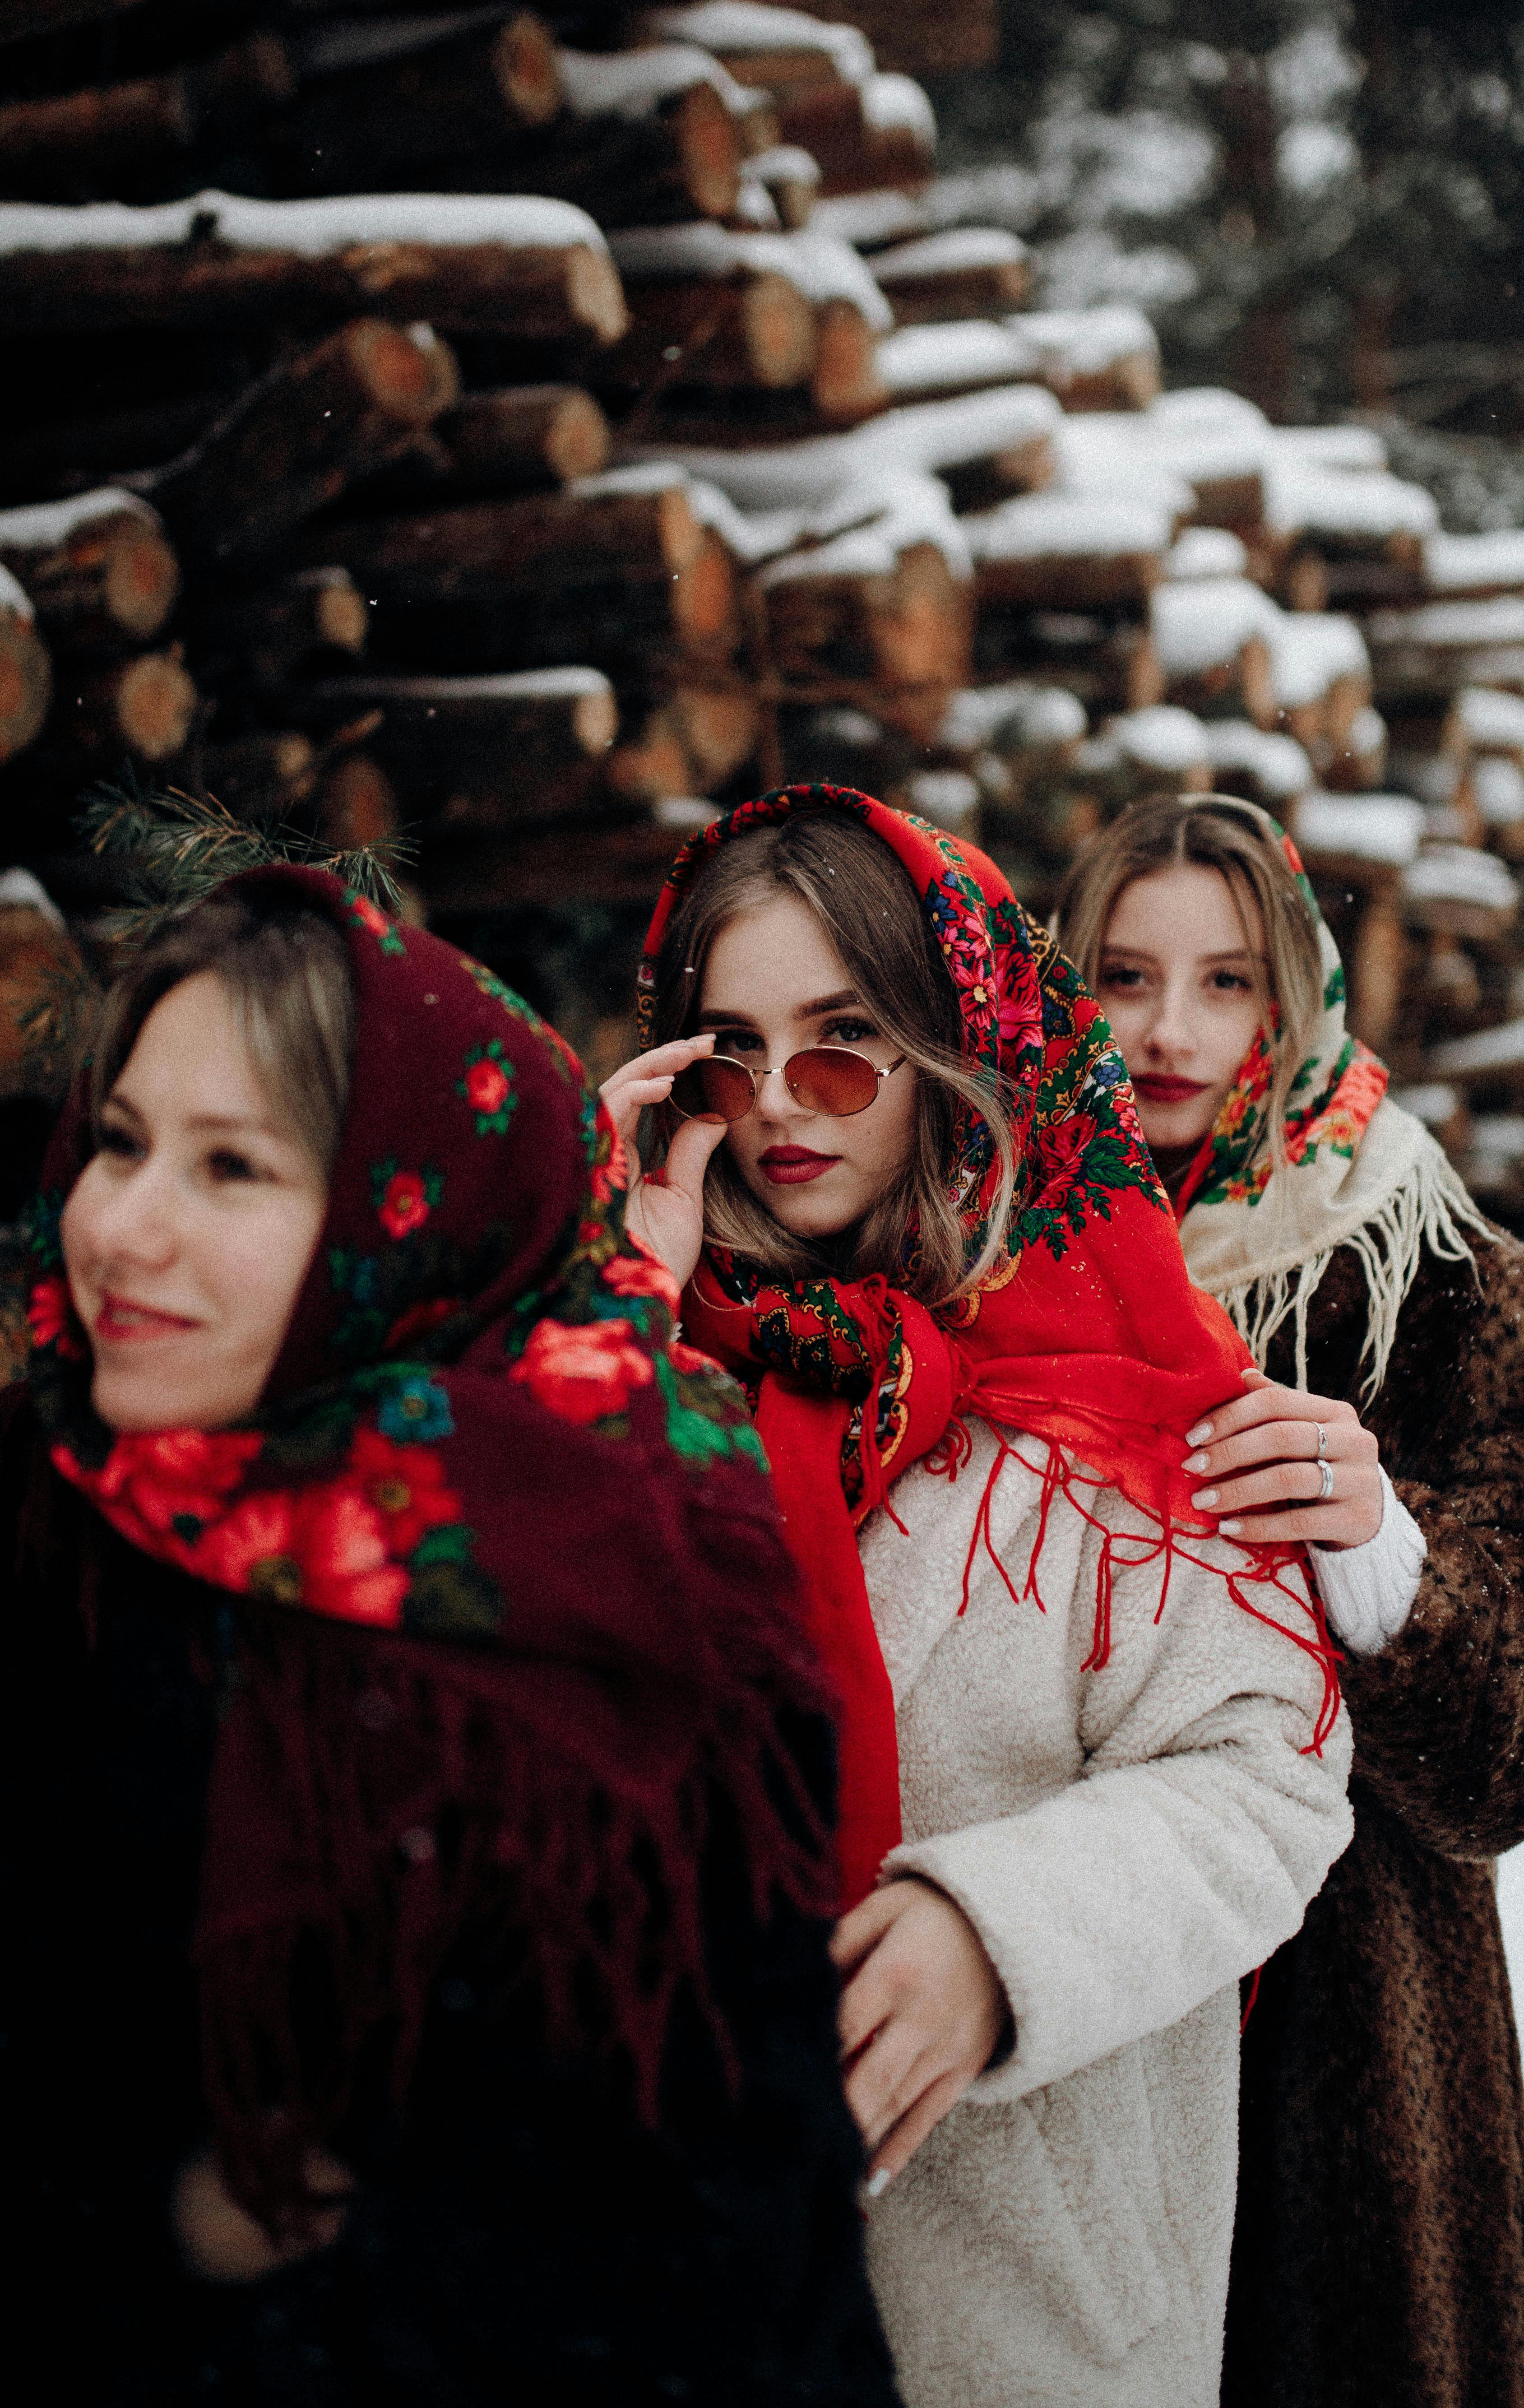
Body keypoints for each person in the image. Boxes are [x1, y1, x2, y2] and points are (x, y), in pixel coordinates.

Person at [3, 863, 902, 2406]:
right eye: (124, 1143)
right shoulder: (57, 1541)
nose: (124, 1229)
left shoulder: (608, 1620)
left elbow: (701, 2272)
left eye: (232, 1170)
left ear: (403, 1221)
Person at [602, 782, 1354, 2408]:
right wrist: (607, 1311)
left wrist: (997, 1935)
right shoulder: (620, 1370)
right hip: (680, 2278)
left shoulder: (1127, 1384)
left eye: (844, 1038)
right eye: (729, 1050)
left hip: (1035, 2290)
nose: (783, 1104)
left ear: (959, 1047)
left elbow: (1266, 1780)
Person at [1056, 792, 1524, 2408]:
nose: (1167, 1032)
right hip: (1076, 2000)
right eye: (1119, 978)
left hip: (1355, 2042)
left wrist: (1389, 1558)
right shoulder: (980, 1259)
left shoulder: (1448, 1286)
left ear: (1298, 997)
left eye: (1227, 982)